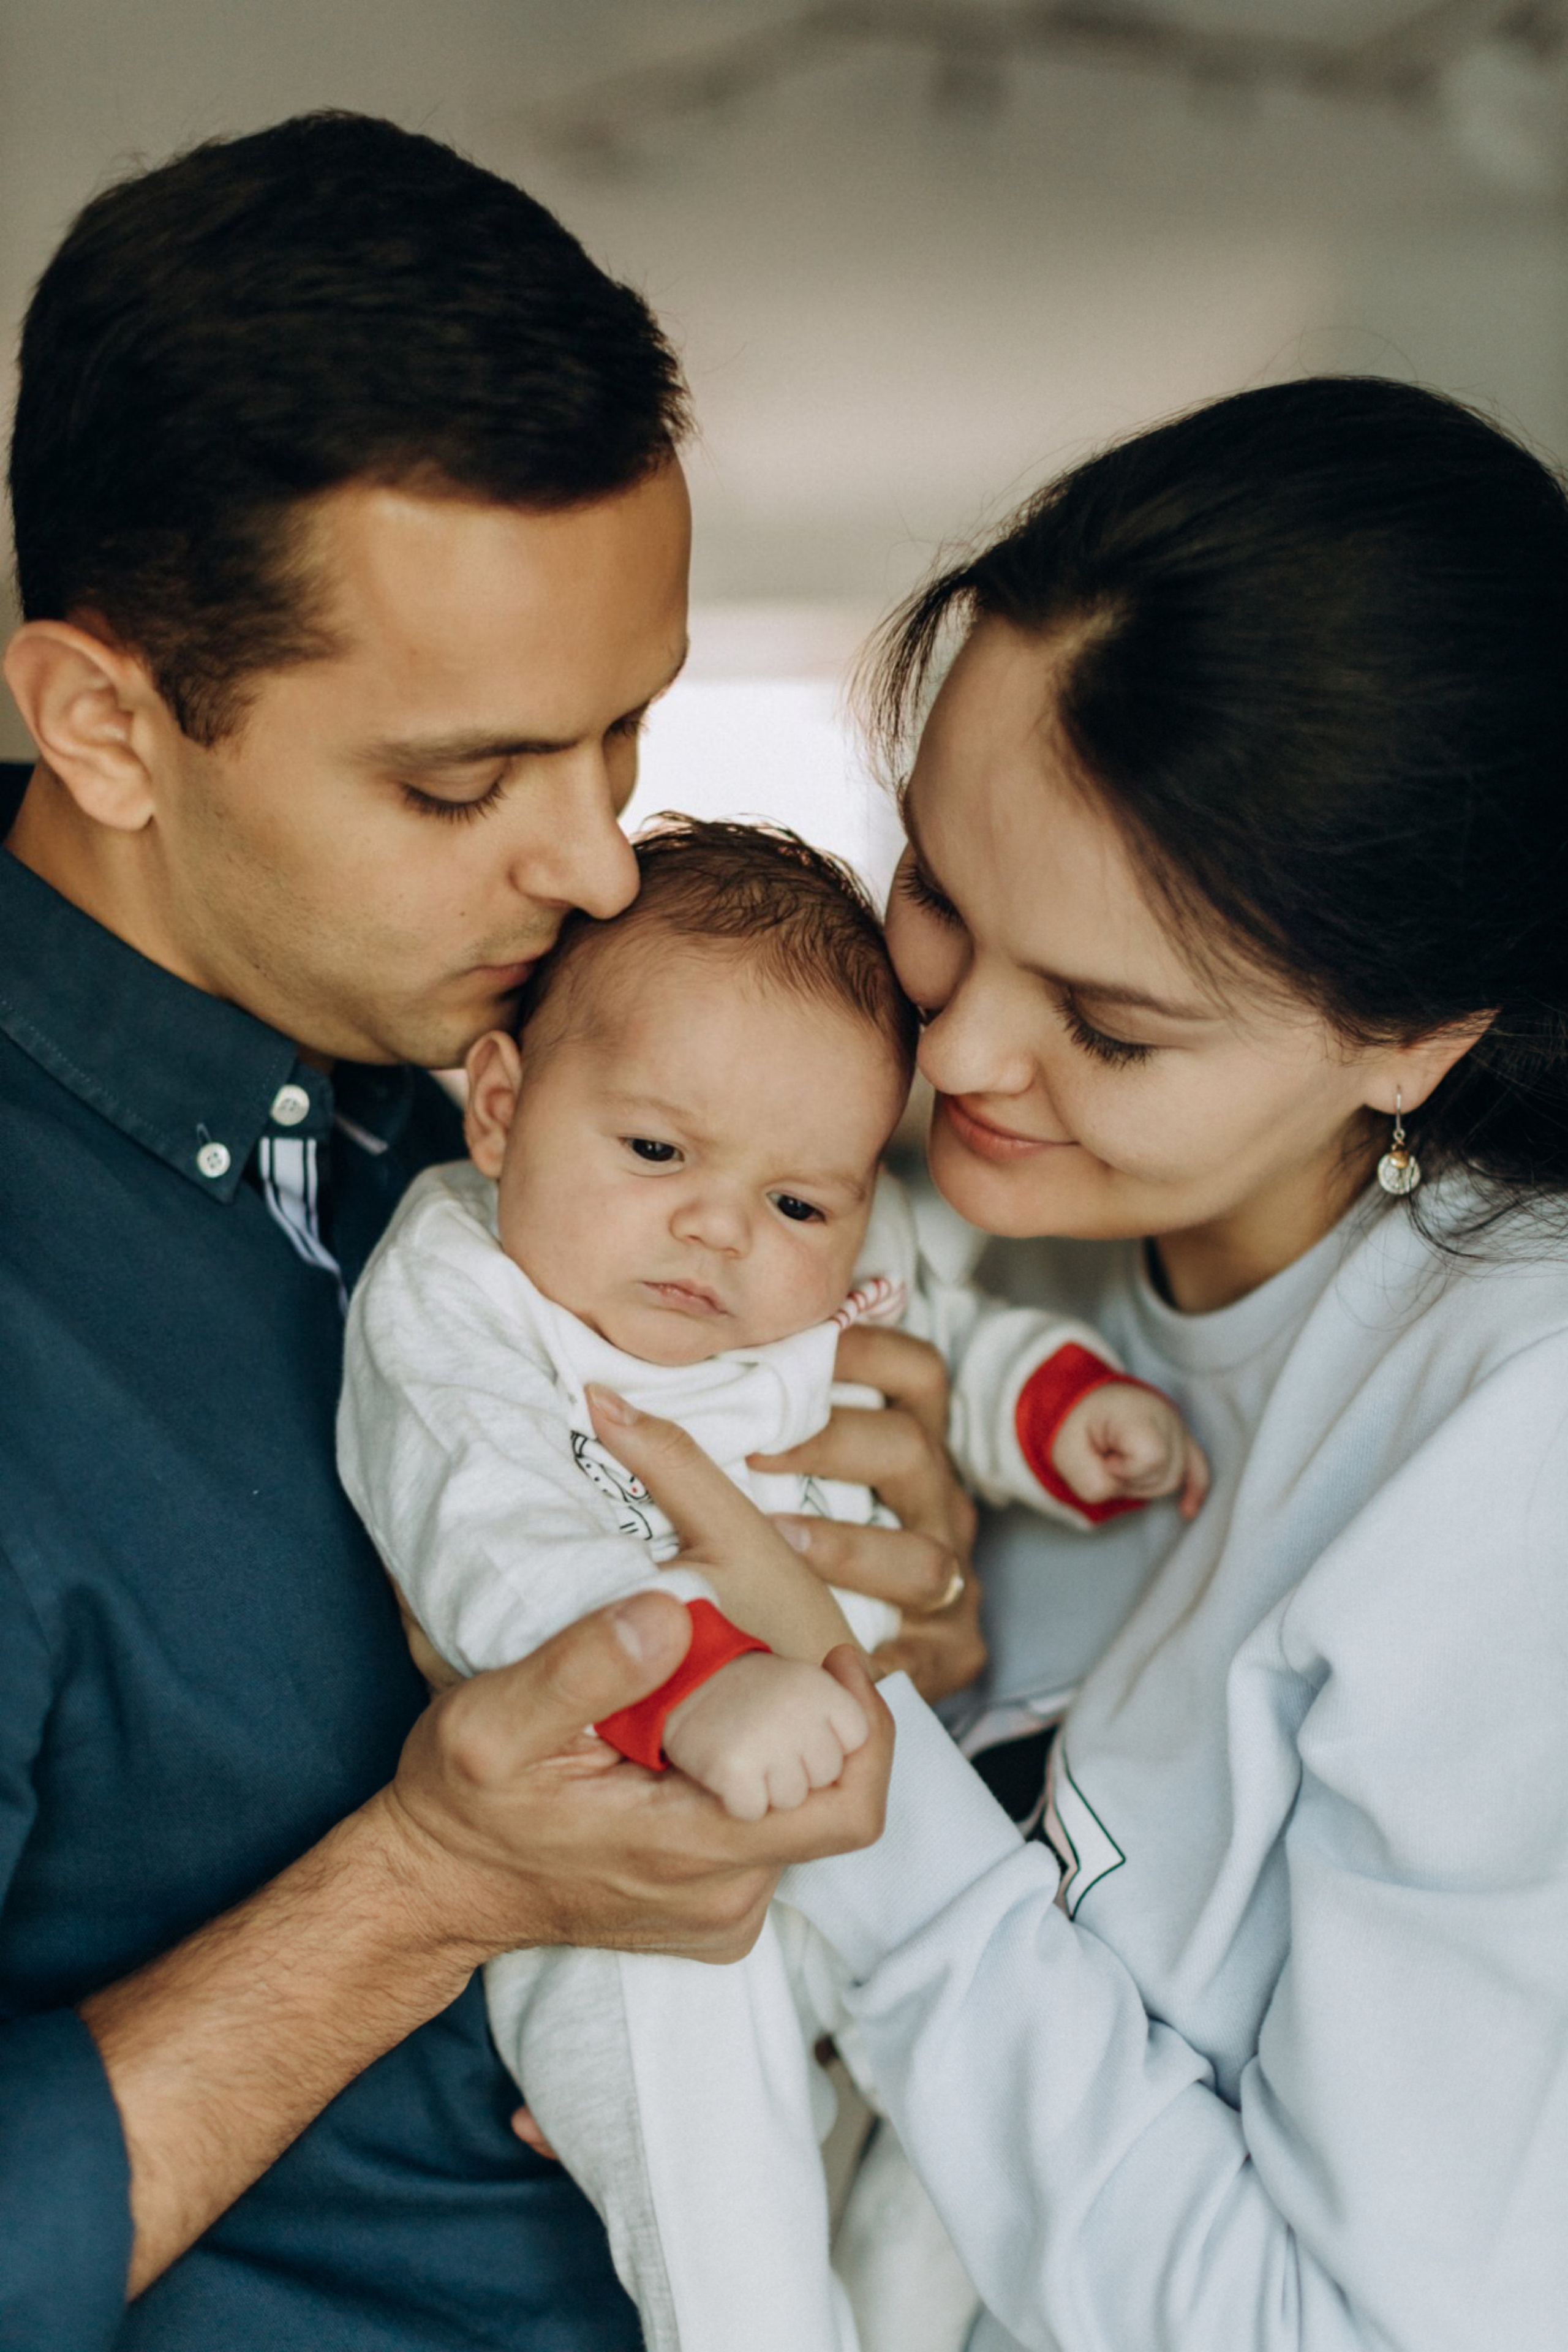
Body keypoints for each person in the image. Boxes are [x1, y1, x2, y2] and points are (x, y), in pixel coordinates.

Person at [0, 113, 935, 2351]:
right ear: (106, 726)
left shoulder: (572, 1057)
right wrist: (433, 1888)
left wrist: (853, 1563)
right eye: (462, 783)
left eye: (626, 733)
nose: (600, 868)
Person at [581, 378, 1568, 2351]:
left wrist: (864, 1788)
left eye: (1108, 1028)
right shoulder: (899, 1236)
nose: (946, 1062)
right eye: (937, 889)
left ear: (1418, 1038)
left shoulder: (1511, 1449)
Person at [337, 815, 1204, 2352]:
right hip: (637, 1848)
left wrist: (1054, 1413)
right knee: (718, 2171)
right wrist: (688, 1686)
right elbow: (485, 1526)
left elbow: (938, 1327)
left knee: (1016, 2090)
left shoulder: (820, 1277)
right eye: (656, 1150)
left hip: (873, 1828)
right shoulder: (465, 1295)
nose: (721, 1228)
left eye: (801, 1203)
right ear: (498, 1108)